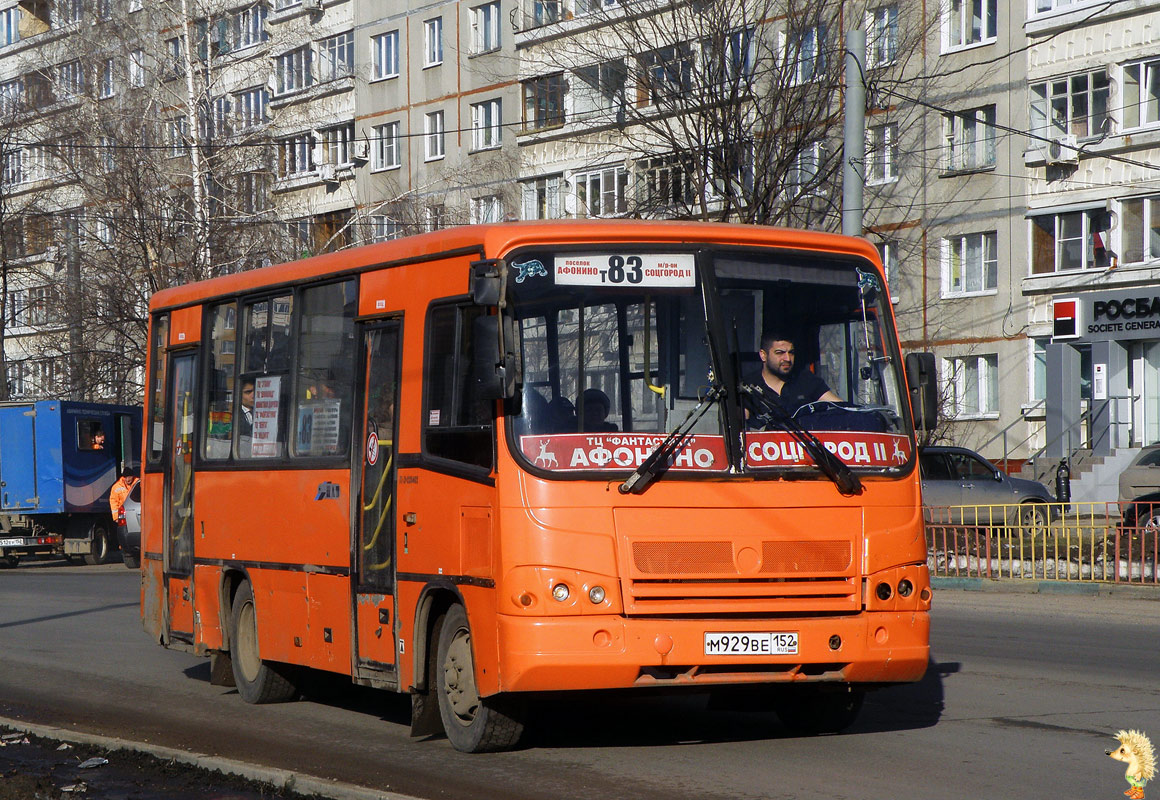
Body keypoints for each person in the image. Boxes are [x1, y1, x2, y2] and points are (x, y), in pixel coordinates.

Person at [752, 330, 840, 416]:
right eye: (779, 353)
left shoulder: (806, 380)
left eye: (791, 353)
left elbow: (841, 408)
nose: (787, 358)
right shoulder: (749, 386)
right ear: (763, 355)